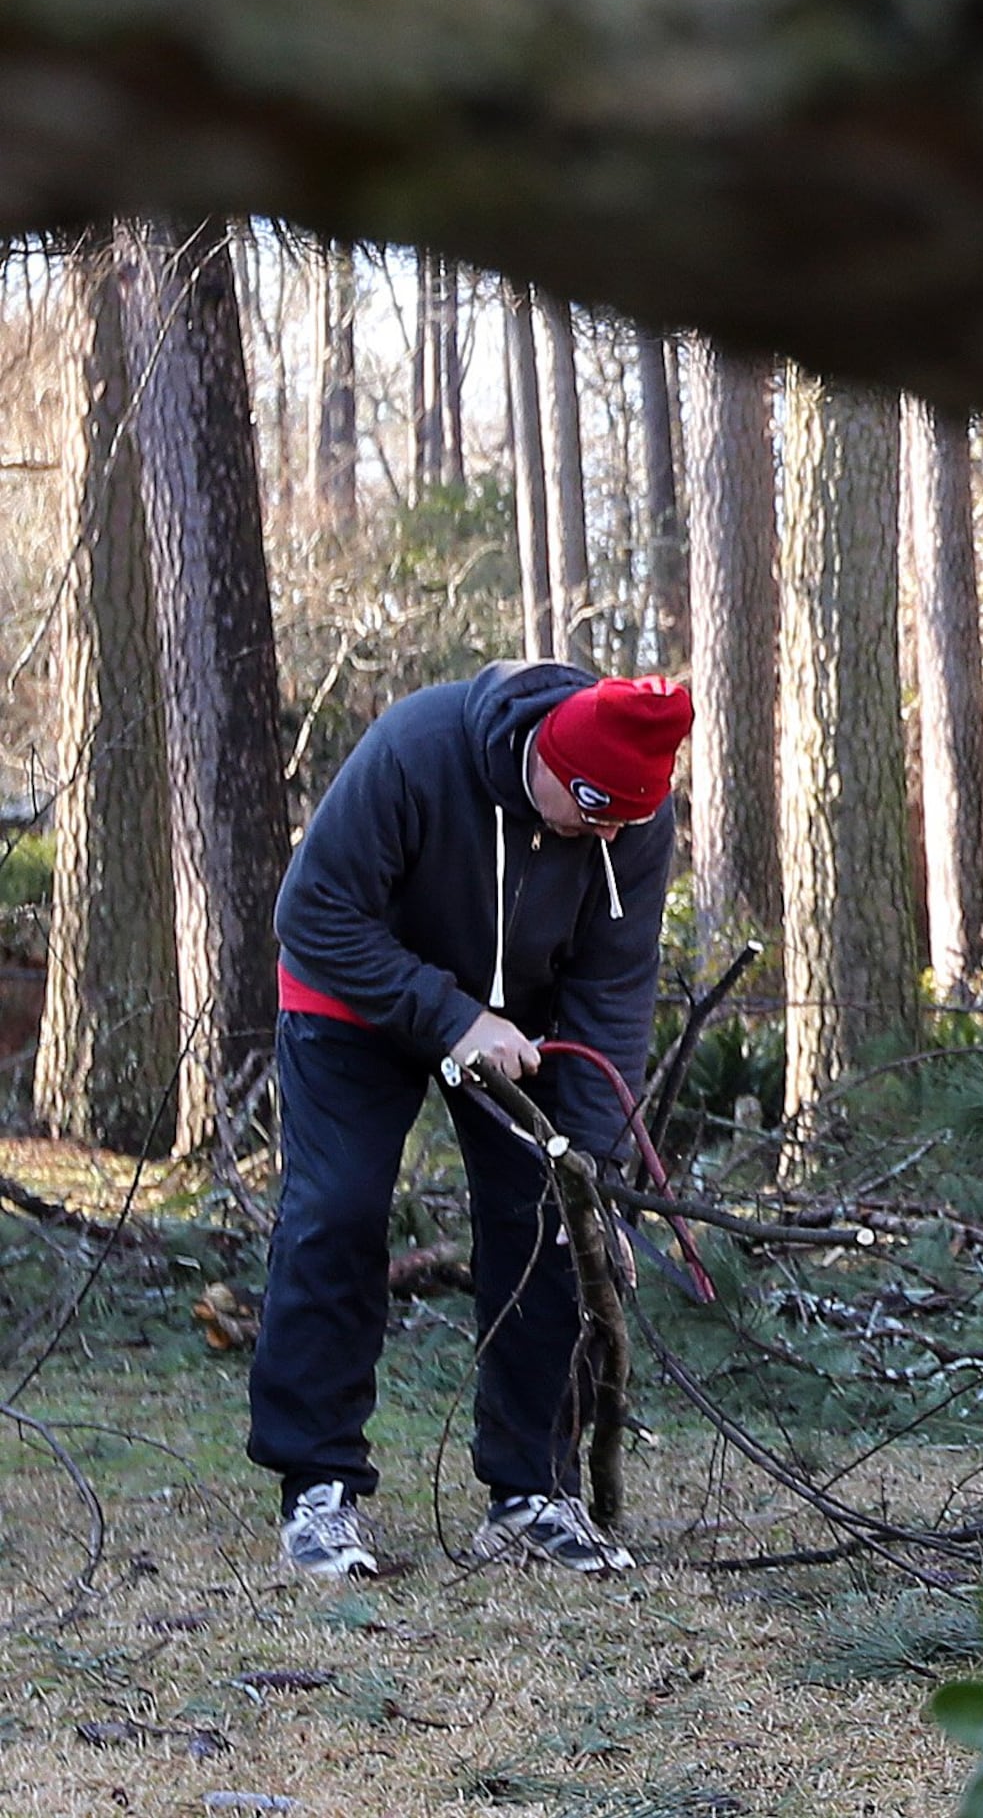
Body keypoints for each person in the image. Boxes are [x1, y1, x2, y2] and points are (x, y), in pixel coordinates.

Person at [247, 661, 690, 1579]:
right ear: (545, 757)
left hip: (518, 1022)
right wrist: (451, 1015)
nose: (600, 833)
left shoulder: (632, 826)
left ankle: (533, 1490)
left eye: (621, 821)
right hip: (353, 996)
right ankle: (317, 1486)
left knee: (550, 1217)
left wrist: (598, 1166)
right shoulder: (417, 750)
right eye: (588, 810)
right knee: (339, 1207)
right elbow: (313, 912)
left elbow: (613, 990)